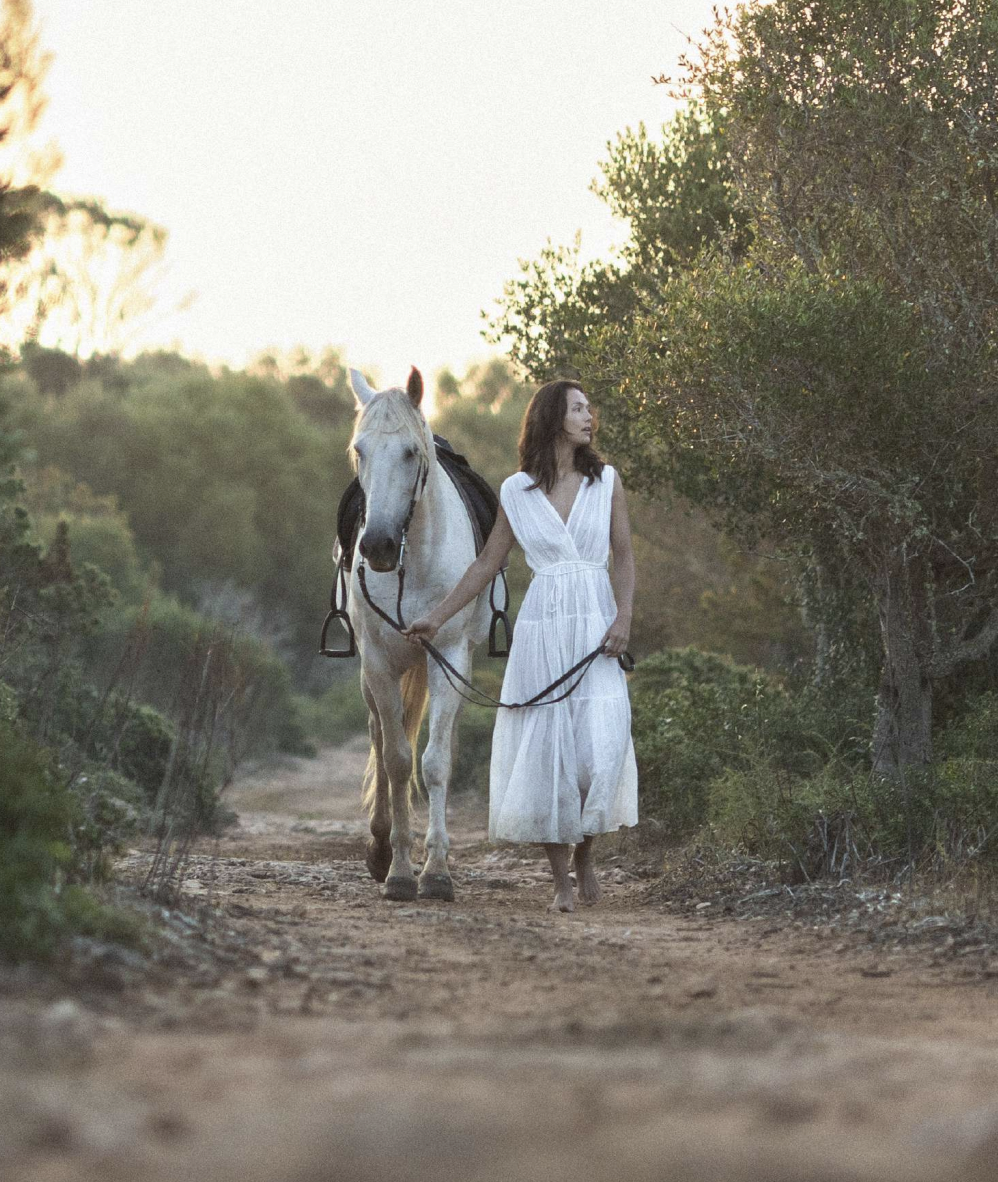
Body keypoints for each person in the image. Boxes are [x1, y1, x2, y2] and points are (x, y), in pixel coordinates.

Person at [402, 379, 638, 912]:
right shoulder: (516, 490)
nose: (588, 416)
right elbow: (486, 565)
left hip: (597, 623)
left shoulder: (607, 483)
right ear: (553, 418)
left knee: (600, 750)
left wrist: (624, 617)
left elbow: (622, 556)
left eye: (588, 408)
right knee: (546, 752)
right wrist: (436, 618)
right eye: (577, 408)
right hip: (543, 629)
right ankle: (559, 879)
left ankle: (586, 858)